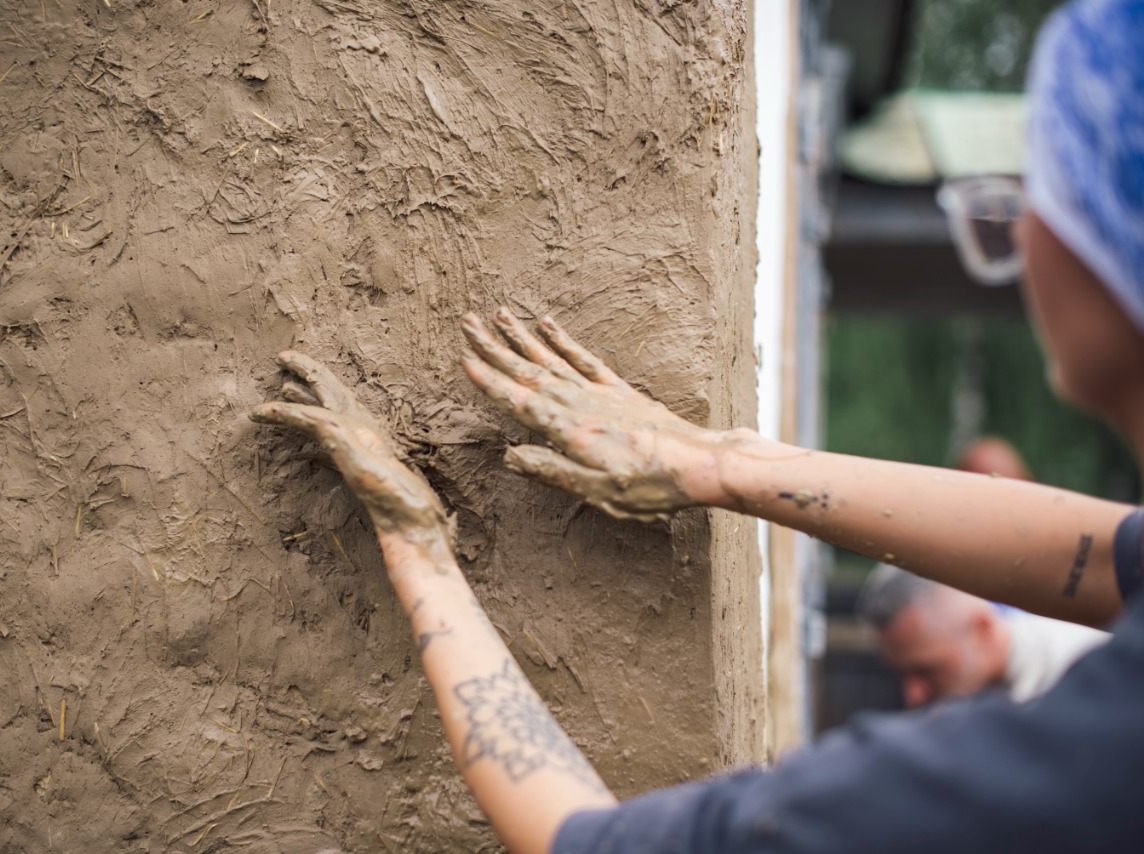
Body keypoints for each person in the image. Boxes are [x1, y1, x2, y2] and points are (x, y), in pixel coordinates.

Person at [249, 0, 1144, 850]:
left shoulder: (1085, 767)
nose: (1022, 230)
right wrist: (722, 463)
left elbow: (583, 842)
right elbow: (1105, 557)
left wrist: (417, 543)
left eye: (1044, 187)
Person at [858, 563, 1107, 706]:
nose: (913, 695)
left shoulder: (1082, 678)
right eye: (902, 675)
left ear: (983, 629)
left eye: (927, 671)